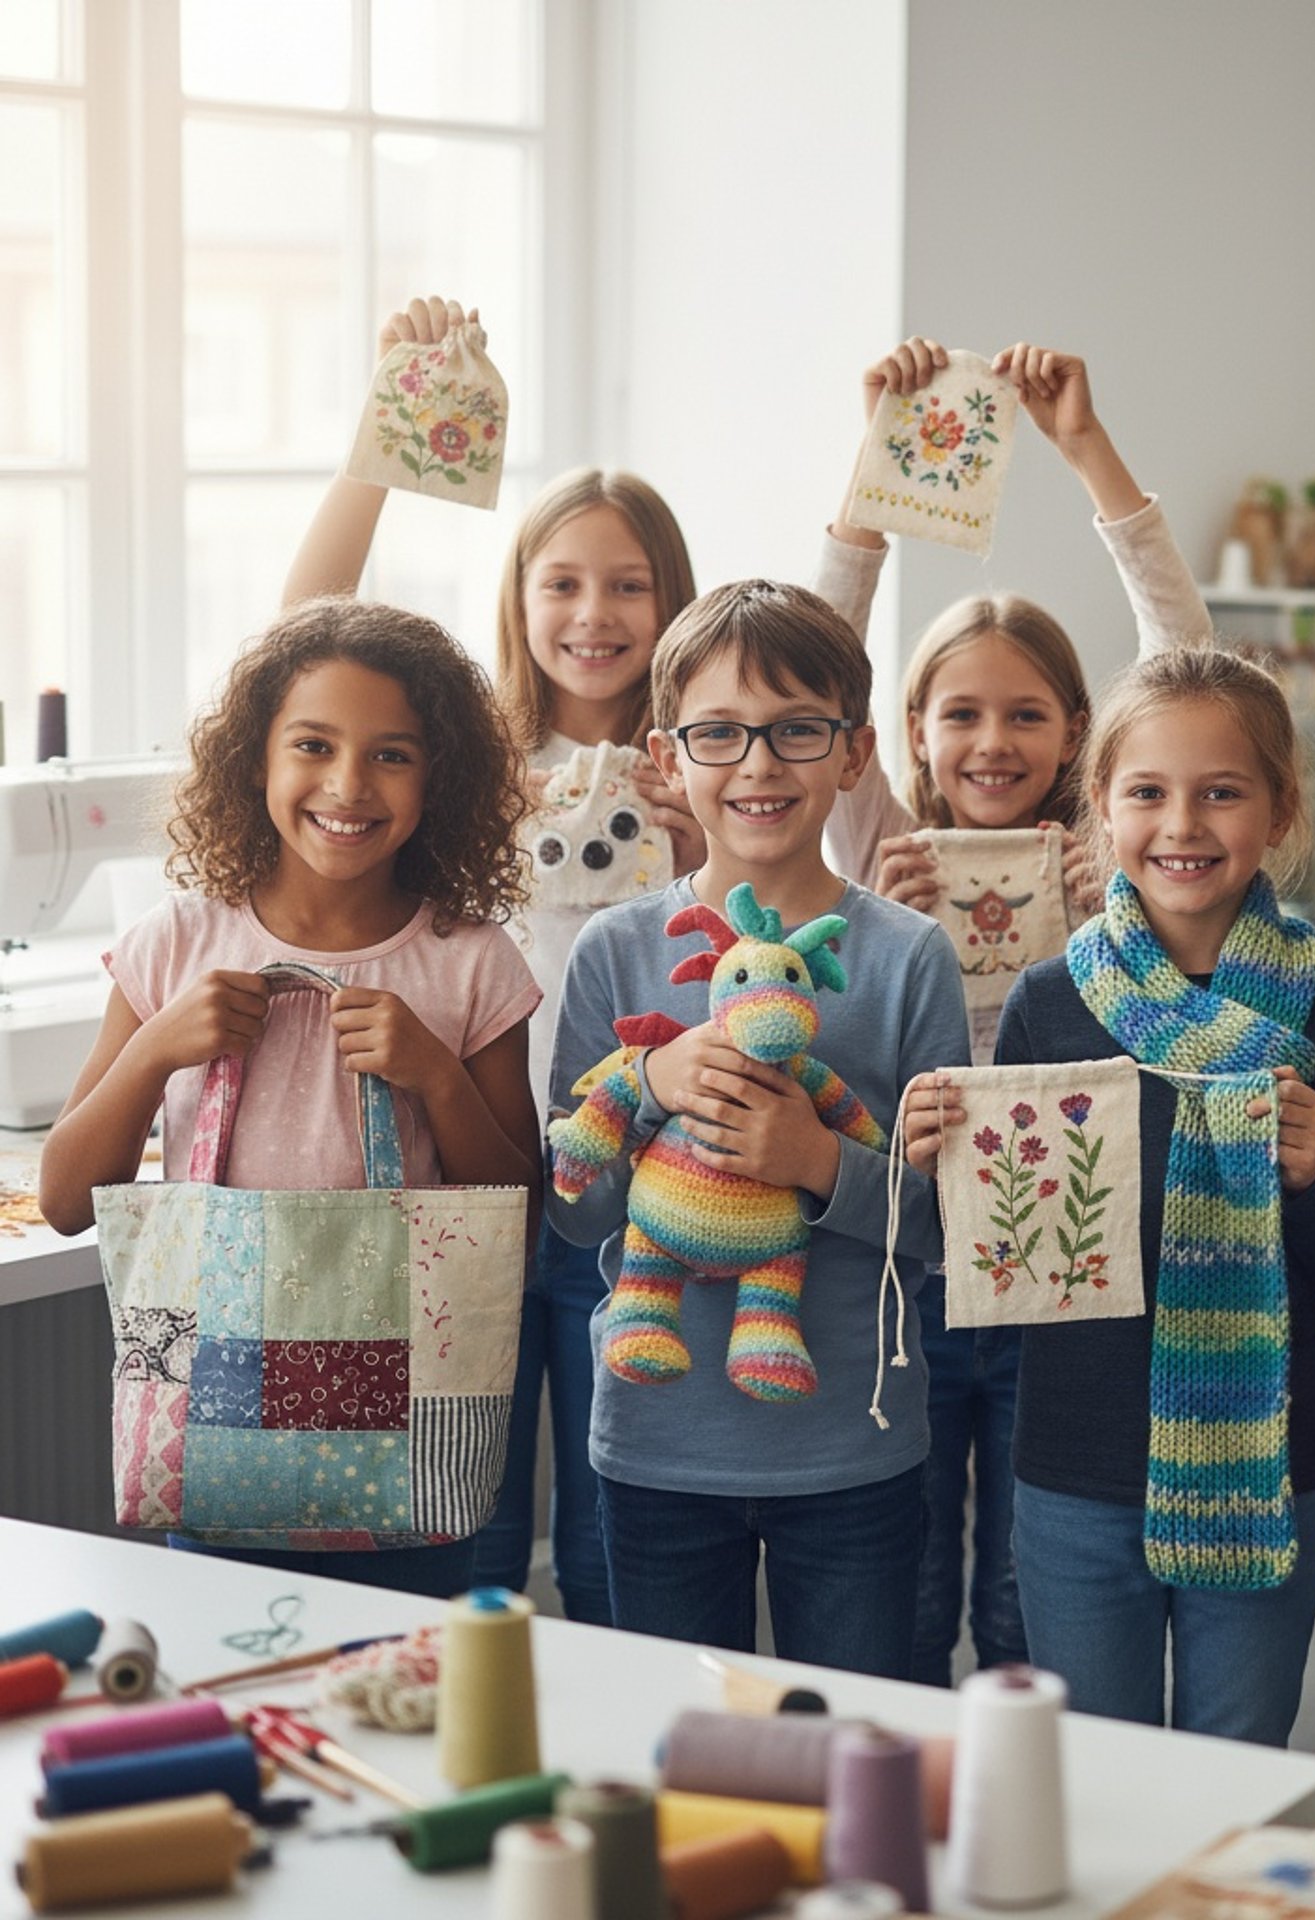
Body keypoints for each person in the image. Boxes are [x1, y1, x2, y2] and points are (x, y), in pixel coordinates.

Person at [284, 296, 702, 1624]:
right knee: (470, 1527)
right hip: (471, 1178)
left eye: (629, 584)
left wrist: (708, 845)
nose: (595, 613)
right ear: (518, 598)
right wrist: (386, 429)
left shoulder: (706, 763)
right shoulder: (467, 757)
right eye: (562, 582)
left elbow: (767, 953)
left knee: (618, 1532)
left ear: (673, 600)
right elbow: (307, 627)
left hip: (640, 1190)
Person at [903, 646, 1315, 1742]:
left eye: (1222, 792)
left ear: (1280, 809)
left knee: (1236, 1773)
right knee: (1102, 1784)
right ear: (1101, 806)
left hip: (1266, 1468)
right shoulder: (1049, 1002)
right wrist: (942, 1171)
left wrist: (1311, 1177)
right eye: (1148, 793)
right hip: (1073, 1473)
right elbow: (1009, 1265)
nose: (1183, 824)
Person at [816, 338, 1214, 1687]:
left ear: (1078, 731)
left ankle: (1024, 1775)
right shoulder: (872, 841)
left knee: (1026, 1595)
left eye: (1028, 716)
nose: (993, 743)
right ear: (907, 732)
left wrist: (1086, 450)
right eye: (963, 715)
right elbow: (820, 661)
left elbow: (1188, 660)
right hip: (920, 1261)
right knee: (914, 1572)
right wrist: (878, 470)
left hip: (1060, 1256)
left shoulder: (1115, 854)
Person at [40, 598, 542, 1597]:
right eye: (313, 745)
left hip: (412, 1475)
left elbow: (518, 1223)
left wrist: (437, 1076)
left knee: (407, 1672)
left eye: (392, 755)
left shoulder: (471, 963)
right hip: (216, 1455)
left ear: (440, 776)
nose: (348, 785)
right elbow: (62, 1200)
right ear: (254, 760)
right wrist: (154, 1048)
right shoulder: (175, 943)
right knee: (230, 1662)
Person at [545, 578, 969, 1678]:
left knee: (856, 1731)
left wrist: (819, 1162)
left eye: (796, 731)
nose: (758, 764)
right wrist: (648, 1081)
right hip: (656, 1440)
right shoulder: (614, 952)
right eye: (720, 733)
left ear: (855, 752)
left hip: (854, 1445)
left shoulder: (910, 958)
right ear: (668, 755)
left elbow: (956, 1229)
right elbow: (571, 1211)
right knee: (684, 1741)